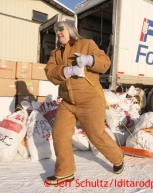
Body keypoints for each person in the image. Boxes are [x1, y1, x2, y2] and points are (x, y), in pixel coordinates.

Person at [44, 21, 124, 185]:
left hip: (90, 100)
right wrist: (67, 70)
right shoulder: (56, 54)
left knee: (96, 136)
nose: (58, 32)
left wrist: (89, 60)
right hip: (68, 102)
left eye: (61, 29)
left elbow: (105, 63)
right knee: (59, 134)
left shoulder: (86, 44)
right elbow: (50, 73)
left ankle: (118, 158)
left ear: (70, 30)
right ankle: (65, 172)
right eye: (55, 30)